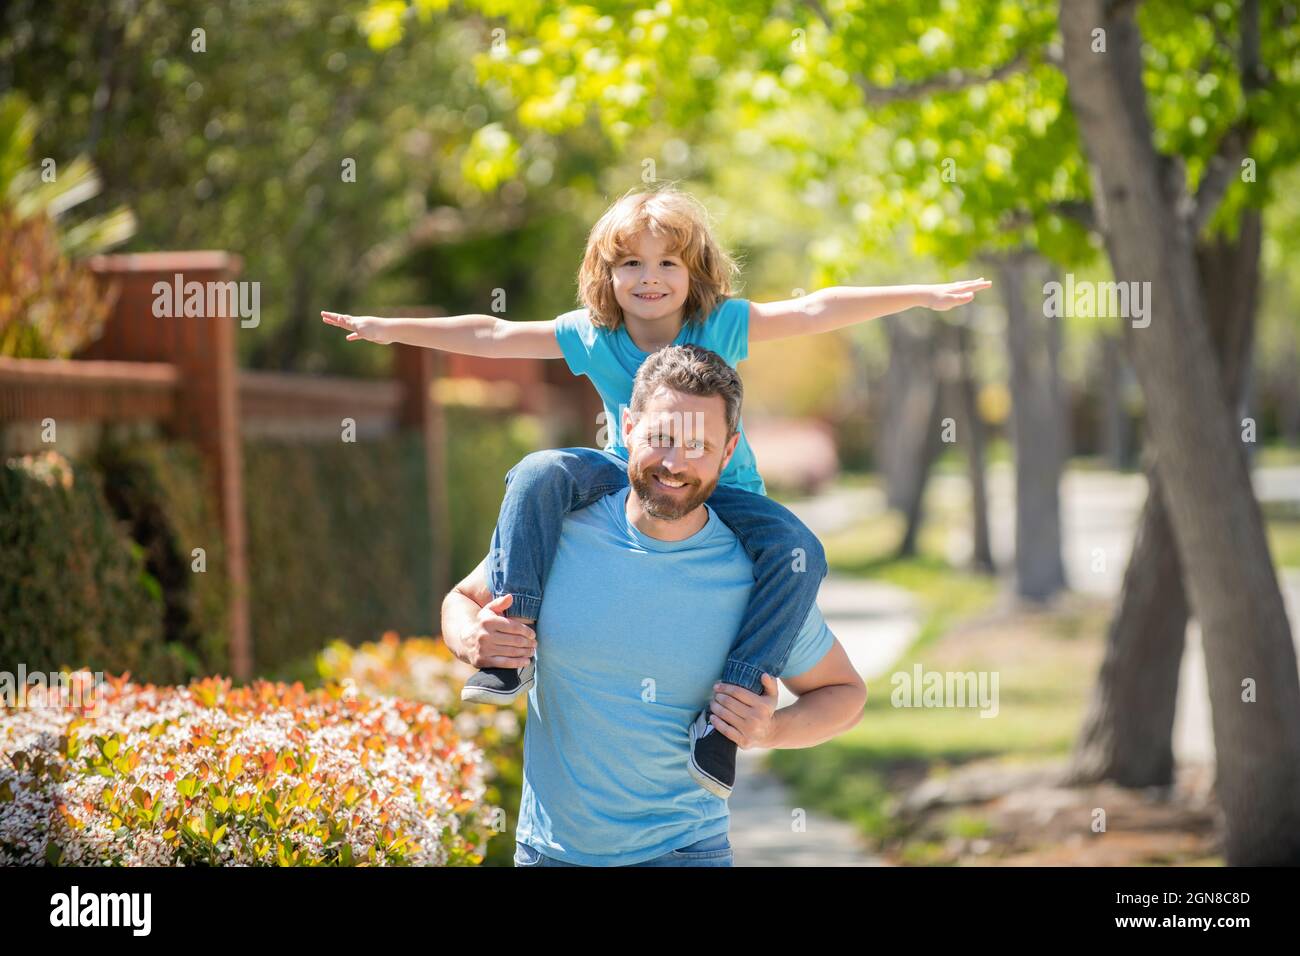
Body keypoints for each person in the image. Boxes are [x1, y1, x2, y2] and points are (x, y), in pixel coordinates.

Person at [321, 183, 989, 797]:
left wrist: (919, 294)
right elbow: (492, 333)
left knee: (799, 550)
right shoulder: (592, 334)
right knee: (538, 474)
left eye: (668, 264)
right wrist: (391, 330)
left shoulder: (721, 324)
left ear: (694, 274)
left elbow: (815, 308)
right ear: (606, 274)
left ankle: (723, 723)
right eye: (631, 264)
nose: (649, 279)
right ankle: (512, 641)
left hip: (726, 488)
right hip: (627, 473)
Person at [439, 344, 867, 865]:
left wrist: (769, 729)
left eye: (698, 446)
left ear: (728, 453)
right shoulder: (558, 532)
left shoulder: (759, 580)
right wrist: (471, 639)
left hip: (684, 852)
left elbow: (845, 695)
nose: (674, 463)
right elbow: (461, 599)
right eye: (660, 438)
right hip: (547, 851)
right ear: (626, 428)